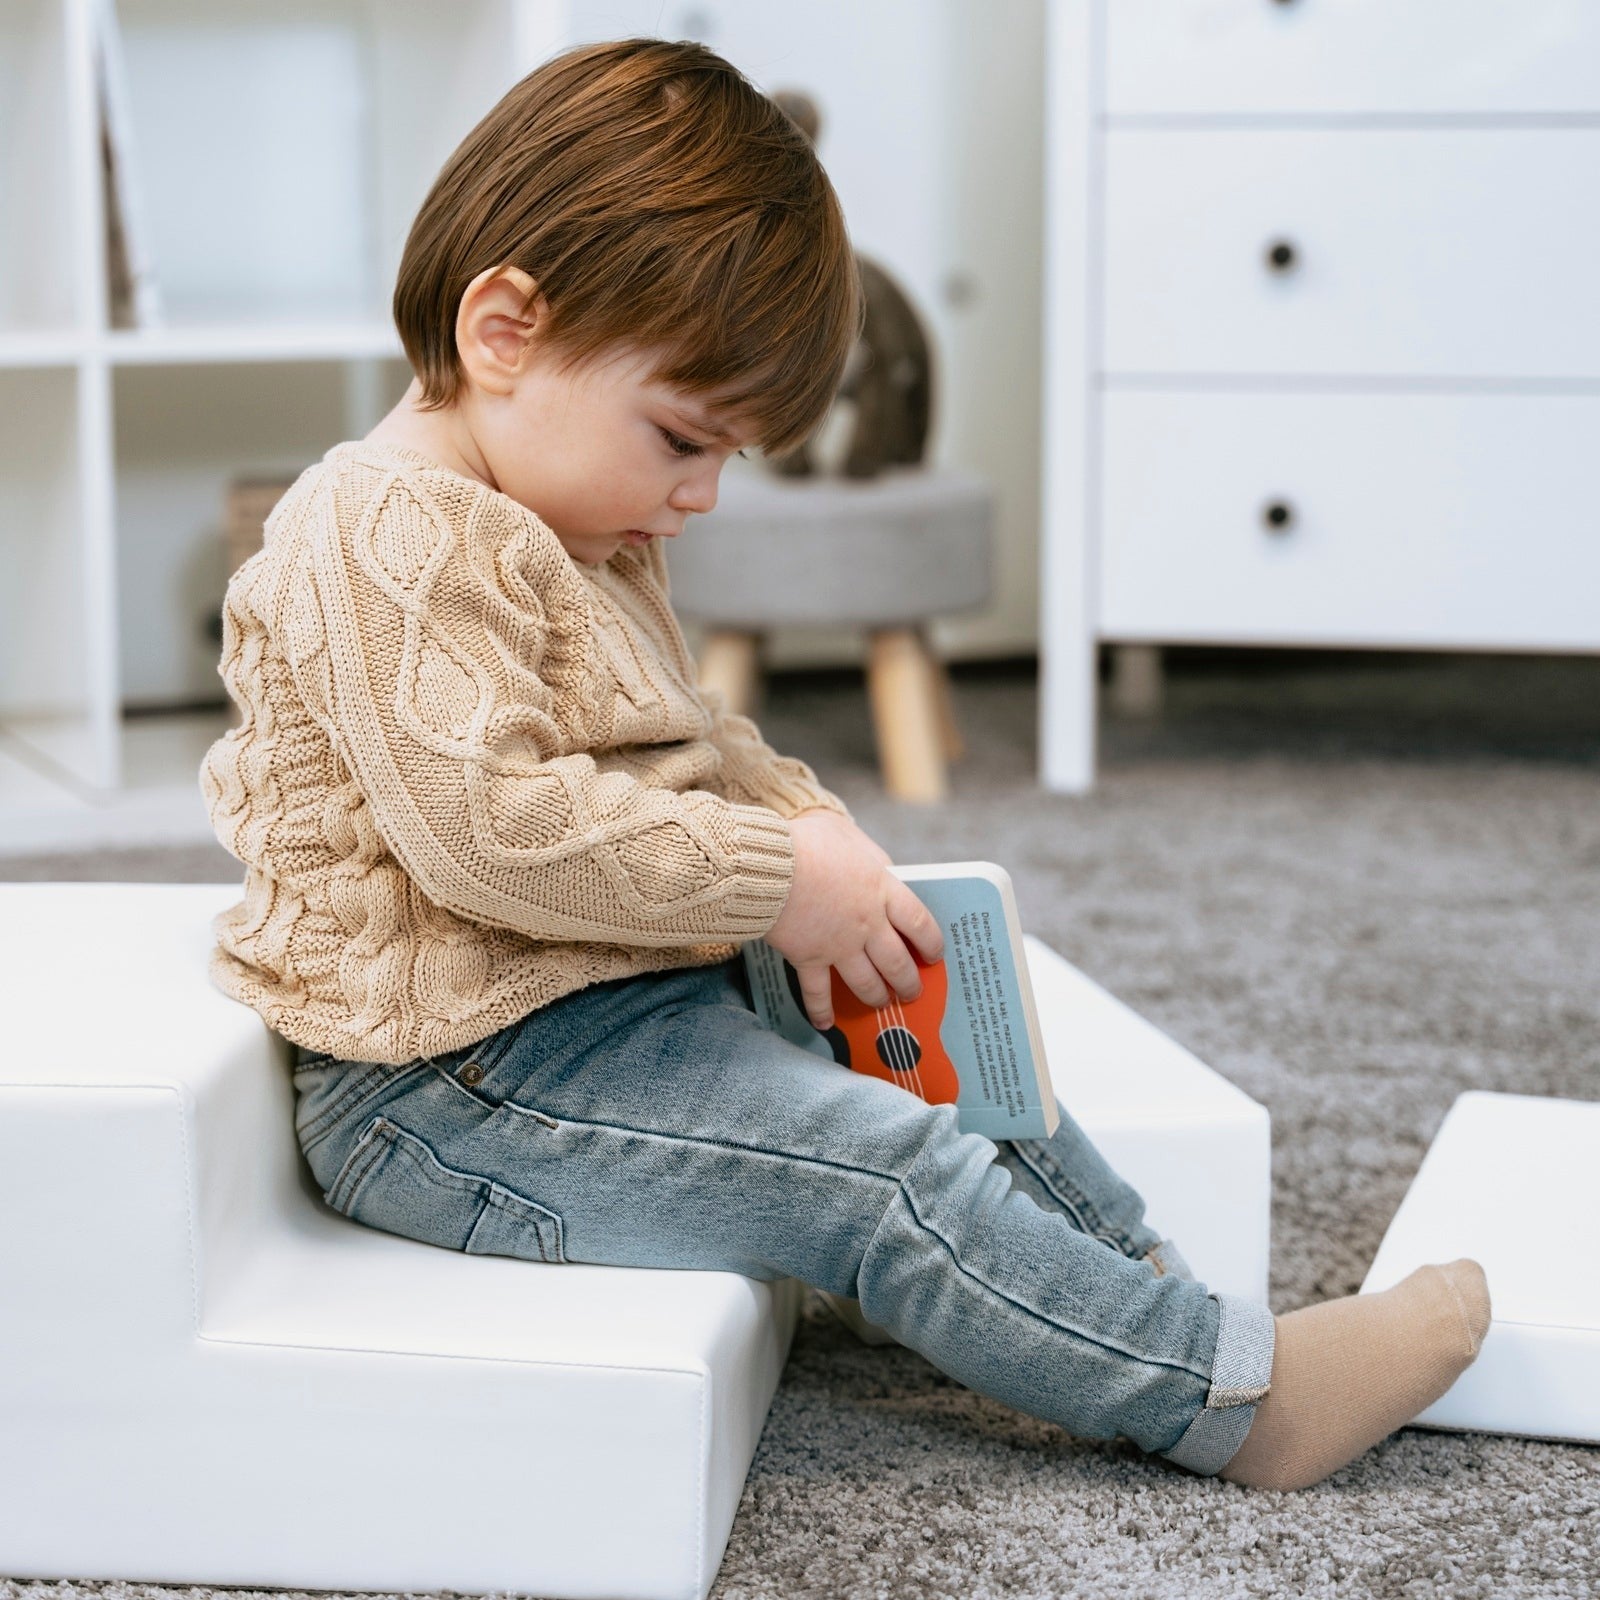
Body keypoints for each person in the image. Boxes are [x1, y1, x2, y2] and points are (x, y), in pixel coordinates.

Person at [199, 36, 1489, 1494]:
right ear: (504, 330)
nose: (701, 493)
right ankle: (1234, 1413)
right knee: (887, 1171)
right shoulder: (380, 531)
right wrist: (772, 880)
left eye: (729, 453)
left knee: (950, 1043)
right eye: (685, 437)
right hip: (452, 1092)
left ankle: (1153, 1304)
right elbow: (490, 832)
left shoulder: (573, 520)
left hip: (604, 1004)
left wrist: (818, 845)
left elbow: (687, 743)